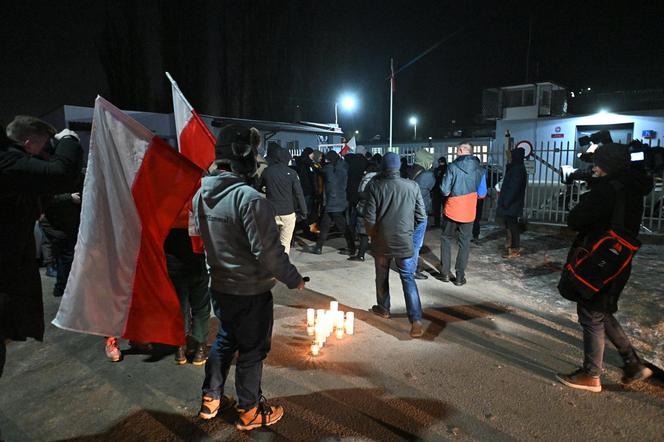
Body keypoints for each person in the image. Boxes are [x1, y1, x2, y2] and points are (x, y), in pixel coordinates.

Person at [193, 124, 305, 430]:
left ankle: (210, 399)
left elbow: (196, 236)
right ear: (245, 157)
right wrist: (293, 277)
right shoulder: (250, 199)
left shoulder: (200, 194)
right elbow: (269, 254)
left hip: (220, 285)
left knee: (226, 339)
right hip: (250, 291)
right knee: (253, 350)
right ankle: (249, 411)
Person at [556, 144, 654, 393]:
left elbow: (575, 220)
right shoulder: (631, 186)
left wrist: (591, 192)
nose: (594, 168)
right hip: (619, 260)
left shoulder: (607, 190)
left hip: (597, 261)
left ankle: (591, 375)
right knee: (601, 309)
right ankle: (632, 364)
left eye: (598, 164)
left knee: (591, 315)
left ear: (608, 166)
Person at [0, 116, 82, 377]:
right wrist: (69, 139)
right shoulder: (8, 161)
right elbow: (60, 174)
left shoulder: (12, 164)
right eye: (45, 146)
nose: (47, 153)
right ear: (28, 143)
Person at [365, 152, 427, 338]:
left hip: (382, 241)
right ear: (399, 166)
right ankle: (415, 320)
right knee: (408, 278)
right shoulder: (412, 186)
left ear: (383, 167)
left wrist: (373, 236)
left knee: (381, 275)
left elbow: (369, 218)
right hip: (404, 241)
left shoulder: (376, 186)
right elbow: (422, 217)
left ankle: (384, 308)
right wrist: (414, 243)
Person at [165, 208, 211, 366]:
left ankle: (180, 348)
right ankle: (200, 348)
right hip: (196, 260)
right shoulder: (196, 203)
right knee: (201, 305)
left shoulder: (167, 208)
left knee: (179, 305)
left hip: (173, 263)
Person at [439, 142, 487, 286]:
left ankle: (445, 273)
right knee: (464, 243)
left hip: (452, 209)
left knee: (446, 238)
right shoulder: (480, 170)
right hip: (469, 210)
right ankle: (460, 277)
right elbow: (482, 193)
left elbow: (445, 190)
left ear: (460, 150)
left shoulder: (452, 167)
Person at [257, 146, 307, 255]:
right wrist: (304, 213)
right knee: (285, 243)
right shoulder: (292, 173)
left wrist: (265, 189)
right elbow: (299, 194)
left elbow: (258, 187)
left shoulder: (267, 171)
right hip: (288, 213)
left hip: (271, 213)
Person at [304, 150, 355, 255]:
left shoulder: (331, 169)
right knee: (325, 224)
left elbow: (329, 180)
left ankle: (352, 248)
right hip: (339, 200)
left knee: (342, 226)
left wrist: (313, 164)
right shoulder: (342, 167)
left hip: (333, 202)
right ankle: (318, 247)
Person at [496, 146, 528, 258]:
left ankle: (515, 249)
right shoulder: (517, 167)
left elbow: (513, 188)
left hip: (512, 203)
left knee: (513, 226)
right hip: (513, 203)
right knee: (511, 225)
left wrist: (506, 202)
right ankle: (513, 246)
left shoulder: (517, 169)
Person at [409, 149, 435, 279]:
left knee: (410, 240)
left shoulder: (411, 170)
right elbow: (429, 188)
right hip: (420, 212)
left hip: (409, 211)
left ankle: (408, 265)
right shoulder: (427, 175)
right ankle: (412, 270)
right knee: (416, 243)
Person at [348, 160, 380, 262]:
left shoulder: (367, 178)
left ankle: (360, 255)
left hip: (365, 208)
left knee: (364, 234)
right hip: (378, 208)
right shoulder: (381, 178)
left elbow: (361, 193)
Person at [431, 156, 448, 228]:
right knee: (446, 208)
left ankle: (437, 224)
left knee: (437, 209)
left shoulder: (437, 169)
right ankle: (445, 224)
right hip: (445, 192)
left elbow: (433, 179)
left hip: (437, 191)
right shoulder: (448, 169)